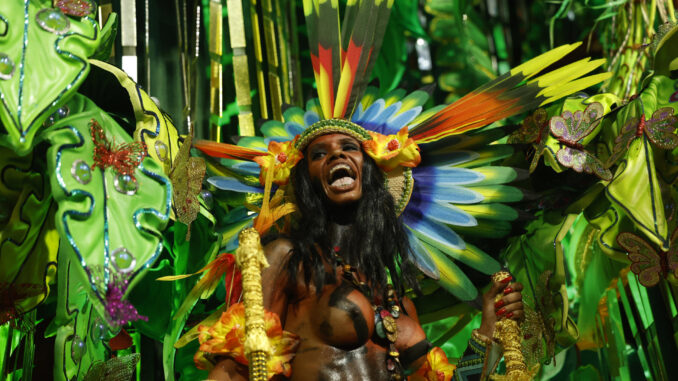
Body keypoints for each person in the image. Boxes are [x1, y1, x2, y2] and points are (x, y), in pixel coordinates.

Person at [206, 131, 525, 380]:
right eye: (320, 154)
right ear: (307, 182)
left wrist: (488, 329)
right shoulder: (290, 258)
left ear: (369, 174)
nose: (336, 154)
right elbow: (234, 369)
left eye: (349, 147)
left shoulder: (397, 302)